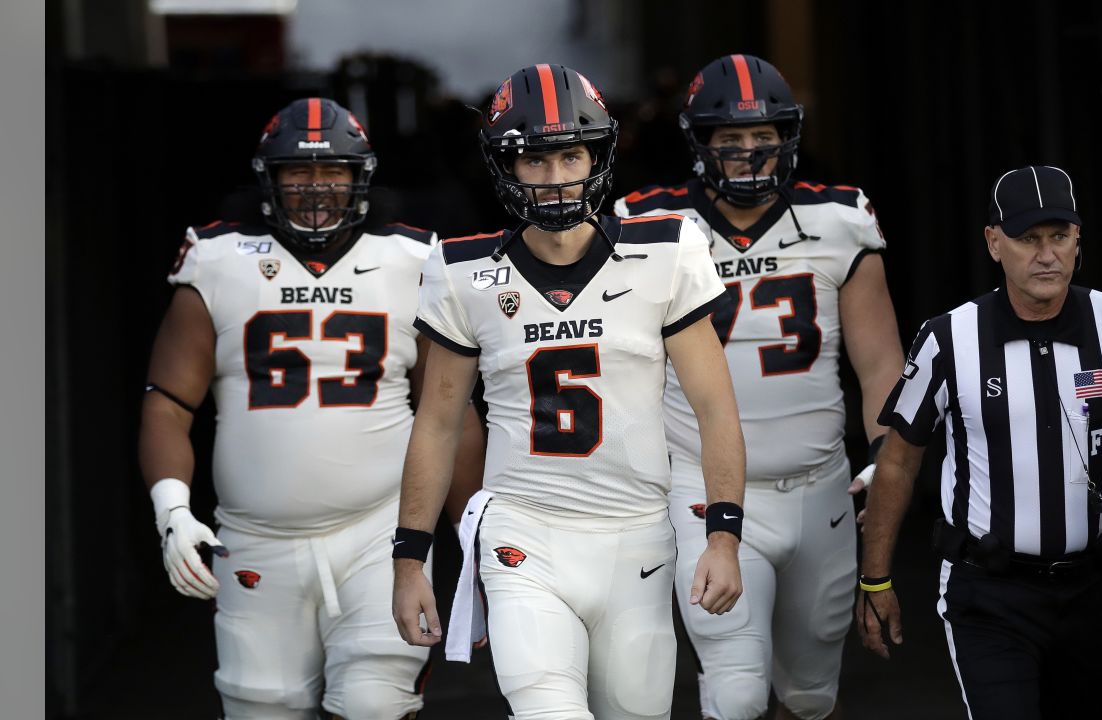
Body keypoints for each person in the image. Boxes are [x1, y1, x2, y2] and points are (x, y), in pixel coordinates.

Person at [390, 63, 747, 720]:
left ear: (599, 155)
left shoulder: (667, 250)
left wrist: (723, 534)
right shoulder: (464, 270)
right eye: (536, 160)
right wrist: (410, 558)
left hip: (637, 536)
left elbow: (715, 406)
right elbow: (438, 424)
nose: (556, 178)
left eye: (571, 155)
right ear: (504, 166)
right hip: (525, 532)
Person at [139, 97, 484, 720]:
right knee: (259, 707)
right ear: (268, 179)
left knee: (378, 704)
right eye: (298, 172)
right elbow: (167, 402)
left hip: (383, 532)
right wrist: (173, 511)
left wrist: (473, 532)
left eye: (334, 172)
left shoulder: (413, 260)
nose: (317, 187)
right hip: (255, 538)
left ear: (362, 177)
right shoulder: (217, 261)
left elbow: (450, 413)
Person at [856, 165, 1102, 719]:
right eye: (1027, 239)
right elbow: (898, 464)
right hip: (989, 595)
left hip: (1090, 594)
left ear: (1079, 239)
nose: (1046, 254)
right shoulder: (948, 339)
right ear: (994, 243)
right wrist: (876, 579)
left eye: (1059, 236)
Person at [614, 54, 905, 720]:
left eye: (763, 141)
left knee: (807, 696)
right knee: (737, 688)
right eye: (731, 143)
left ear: (787, 142)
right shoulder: (648, 229)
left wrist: (888, 459)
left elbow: (881, 363)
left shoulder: (839, 221)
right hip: (702, 487)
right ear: (701, 146)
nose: (749, 156)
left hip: (818, 487)